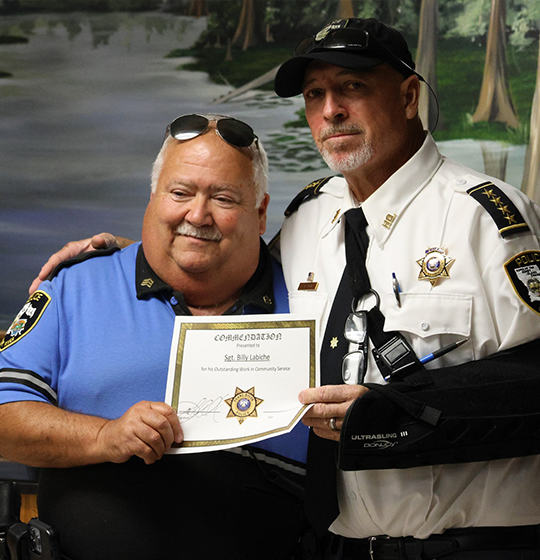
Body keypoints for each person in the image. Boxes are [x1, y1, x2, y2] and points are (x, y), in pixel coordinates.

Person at [25, 18, 540, 560]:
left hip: (479, 546)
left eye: (353, 88)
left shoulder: (485, 218)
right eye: (315, 94)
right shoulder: (311, 217)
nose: (330, 110)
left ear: (409, 96)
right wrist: (129, 251)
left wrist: (395, 413)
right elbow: (226, 260)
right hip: (338, 548)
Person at [0, 114, 308, 560]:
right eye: (180, 193)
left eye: (223, 198)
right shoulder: (74, 288)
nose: (196, 215)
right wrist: (106, 436)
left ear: (260, 214)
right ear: (153, 197)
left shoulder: (310, 297)